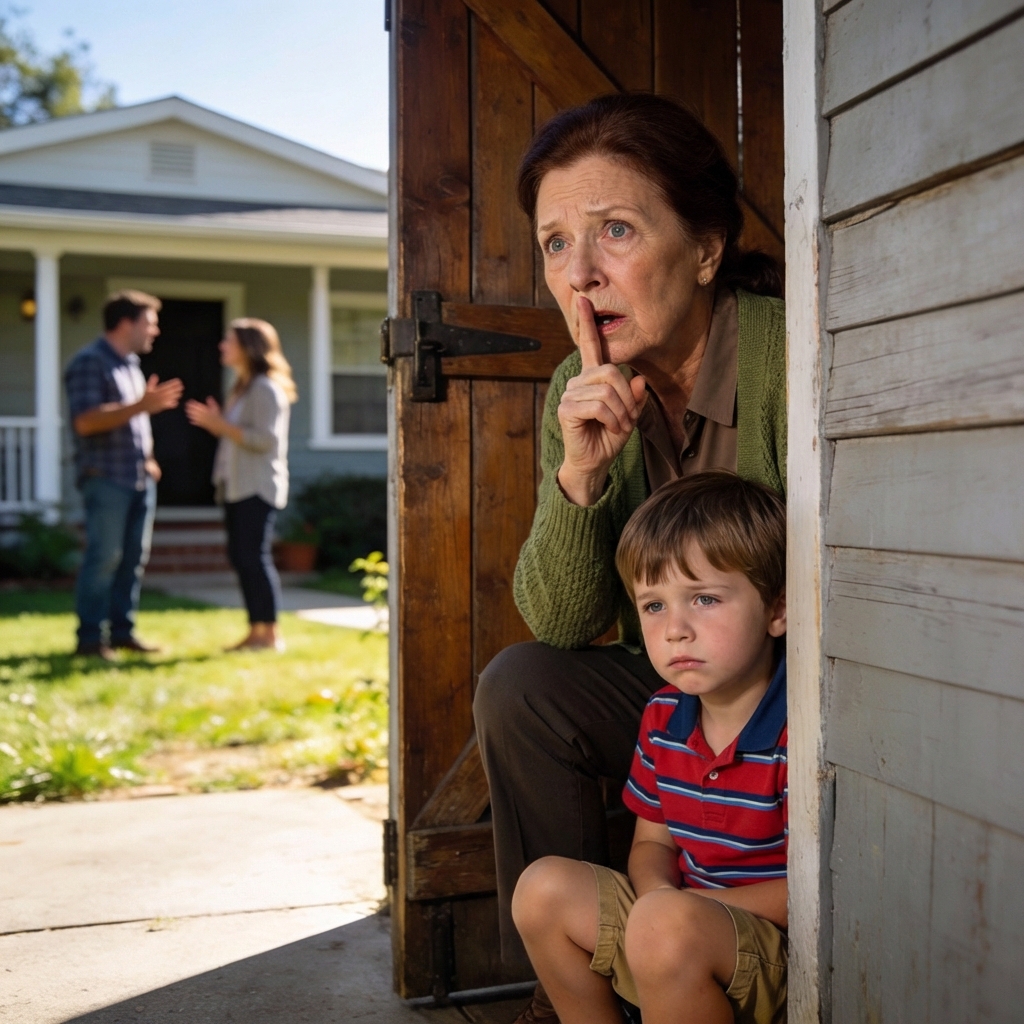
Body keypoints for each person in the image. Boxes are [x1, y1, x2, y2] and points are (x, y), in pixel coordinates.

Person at [471, 93, 787, 1019]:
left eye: (615, 231)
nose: (581, 276)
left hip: (802, 699)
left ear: (704, 248)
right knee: (522, 685)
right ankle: (583, 967)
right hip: (695, 694)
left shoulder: (790, 355)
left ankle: (714, 945)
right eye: (556, 243)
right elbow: (564, 619)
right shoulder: (580, 385)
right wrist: (579, 475)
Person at [512, 472, 788, 1024]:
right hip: (671, 929)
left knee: (663, 927)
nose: (675, 630)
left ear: (777, 610)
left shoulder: (797, 731)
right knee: (542, 889)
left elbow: (818, 888)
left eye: (704, 599)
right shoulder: (663, 716)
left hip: (771, 947)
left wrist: (673, 910)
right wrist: (658, 894)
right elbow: (652, 844)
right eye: (654, 606)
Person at [65, 290, 183, 659]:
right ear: (126, 323)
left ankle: (121, 632)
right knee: (104, 557)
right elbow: (86, 421)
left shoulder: (129, 364)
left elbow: (133, 420)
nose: (155, 331)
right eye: (150, 323)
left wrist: (149, 459)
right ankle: (89, 638)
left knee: (133, 558)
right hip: (106, 477)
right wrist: (141, 405)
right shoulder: (90, 362)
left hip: (137, 478)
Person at [185, 318, 295, 652]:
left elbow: (265, 441)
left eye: (228, 341)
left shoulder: (264, 388)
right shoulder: (243, 387)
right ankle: (255, 631)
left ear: (248, 347)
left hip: (257, 487)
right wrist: (221, 424)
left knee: (253, 558)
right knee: (242, 557)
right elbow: (241, 435)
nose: (222, 346)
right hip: (236, 486)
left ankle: (270, 634)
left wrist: (221, 424)